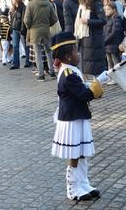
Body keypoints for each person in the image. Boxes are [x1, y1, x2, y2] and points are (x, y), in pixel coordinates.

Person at [51, 31, 108, 201]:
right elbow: (84, 94)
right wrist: (100, 82)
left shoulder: (71, 69)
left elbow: (82, 87)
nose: (79, 53)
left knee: (81, 152)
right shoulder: (68, 74)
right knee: (75, 154)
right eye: (76, 51)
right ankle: (73, 188)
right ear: (68, 56)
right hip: (71, 120)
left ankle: (83, 183)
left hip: (78, 116)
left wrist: (96, 81)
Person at [24, 0, 57, 81]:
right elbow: (54, 18)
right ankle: (52, 72)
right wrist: (47, 24)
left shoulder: (31, 4)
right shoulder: (48, 3)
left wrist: (30, 27)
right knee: (48, 51)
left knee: (38, 53)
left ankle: (41, 75)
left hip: (35, 31)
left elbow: (26, 20)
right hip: (46, 30)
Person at [74, 0, 107, 79]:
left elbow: (102, 20)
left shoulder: (96, 3)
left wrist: (88, 21)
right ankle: (89, 89)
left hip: (93, 39)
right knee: (86, 67)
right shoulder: (83, 4)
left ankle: (95, 89)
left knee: (93, 68)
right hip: (84, 39)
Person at [103, 1, 123, 80]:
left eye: (108, 9)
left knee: (116, 63)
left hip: (113, 45)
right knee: (109, 63)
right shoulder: (108, 20)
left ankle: (118, 78)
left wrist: (105, 41)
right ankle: (111, 78)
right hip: (107, 46)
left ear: (114, 10)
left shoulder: (116, 19)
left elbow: (114, 33)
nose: (106, 11)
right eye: (106, 10)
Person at [10, 0, 26, 70]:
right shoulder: (13, 8)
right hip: (15, 29)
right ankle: (16, 63)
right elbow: (12, 20)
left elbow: (23, 19)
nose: (12, 0)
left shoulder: (23, 7)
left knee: (26, 46)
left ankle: (28, 61)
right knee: (15, 46)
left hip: (21, 29)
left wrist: (23, 29)